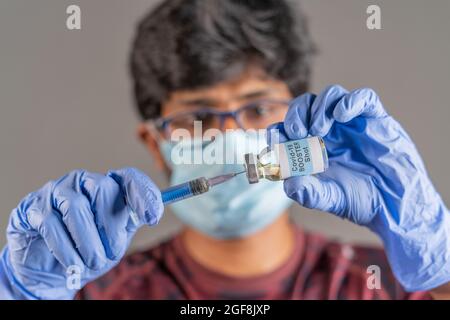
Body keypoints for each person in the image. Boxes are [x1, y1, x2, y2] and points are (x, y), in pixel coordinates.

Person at [0, 0, 449, 300]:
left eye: (258, 108)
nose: (229, 137)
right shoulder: (95, 291)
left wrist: (439, 263)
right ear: (156, 145)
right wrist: (22, 291)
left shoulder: (388, 286)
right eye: (198, 118)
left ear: (304, 125)